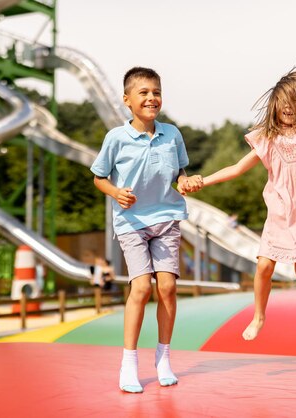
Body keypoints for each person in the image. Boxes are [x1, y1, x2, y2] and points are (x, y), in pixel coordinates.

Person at [182, 67, 296, 344]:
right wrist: (203, 181)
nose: (288, 109)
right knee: (264, 266)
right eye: (282, 104)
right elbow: (237, 168)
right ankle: (258, 316)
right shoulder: (267, 139)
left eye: (294, 103)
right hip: (280, 212)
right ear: (274, 107)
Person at [90, 67, 202, 393]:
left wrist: (184, 181)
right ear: (127, 100)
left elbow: (180, 172)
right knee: (140, 288)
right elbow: (99, 177)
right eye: (144, 92)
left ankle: (164, 357)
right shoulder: (115, 139)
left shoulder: (172, 134)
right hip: (131, 223)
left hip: (167, 217)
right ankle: (129, 362)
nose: (151, 98)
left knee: (167, 288)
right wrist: (115, 192)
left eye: (156, 92)